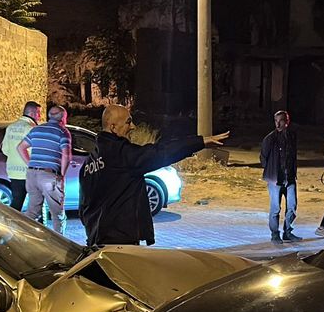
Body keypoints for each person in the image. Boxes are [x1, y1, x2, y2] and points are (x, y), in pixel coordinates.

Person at [80, 105, 229, 247]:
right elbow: (161, 152)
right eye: (128, 122)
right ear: (113, 127)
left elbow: (83, 209)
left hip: (96, 242)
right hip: (120, 243)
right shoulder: (122, 155)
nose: (133, 127)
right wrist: (199, 142)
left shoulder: (88, 164)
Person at [18, 105, 72, 233]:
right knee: (57, 214)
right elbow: (66, 155)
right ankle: (60, 242)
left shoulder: (37, 129)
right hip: (49, 176)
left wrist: (31, 165)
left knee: (32, 212)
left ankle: (21, 236)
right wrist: (62, 175)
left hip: (32, 175)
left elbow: (20, 147)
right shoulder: (62, 132)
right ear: (63, 118)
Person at [261, 110, 299, 242]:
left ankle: (287, 232)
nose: (278, 124)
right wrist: (272, 170)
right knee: (275, 208)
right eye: (276, 121)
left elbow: (292, 156)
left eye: (281, 121)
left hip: (289, 178)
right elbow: (263, 158)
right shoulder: (270, 138)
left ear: (287, 121)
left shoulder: (291, 136)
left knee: (292, 206)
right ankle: (275, 234)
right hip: (275, 179)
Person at [1, 101, 41, 211]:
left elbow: (5, 150)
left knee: (17, 202)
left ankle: (11, 220)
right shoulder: (31, 129)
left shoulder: (10, 127)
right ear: (32, 113)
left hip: (13, 171)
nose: (39, 116)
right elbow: (35, 151)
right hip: (28, 172)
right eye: (38, 113)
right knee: (36, 203)